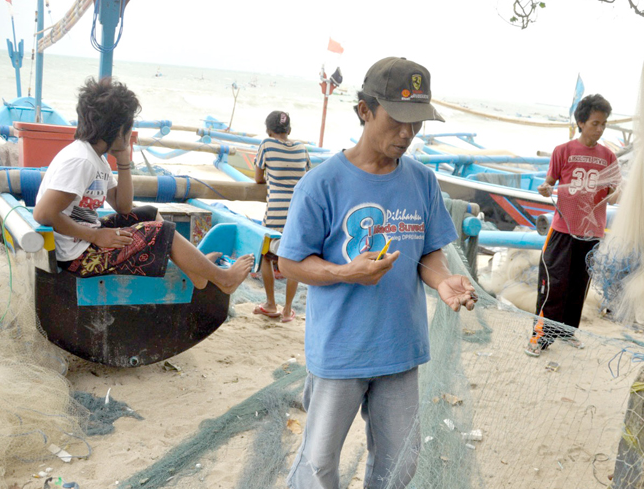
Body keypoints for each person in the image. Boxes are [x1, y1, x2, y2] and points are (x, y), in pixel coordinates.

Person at [277, 57, 478, 489]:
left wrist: (443, 280)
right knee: (318, 465)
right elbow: (289, 262)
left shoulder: (423, 181)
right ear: (365, 111)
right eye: (398, 120)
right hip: (339, 352)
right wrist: (345, 272)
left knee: (399, 465)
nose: (407, 133)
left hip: (400, 348)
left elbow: (428, 255)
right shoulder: (321, 184)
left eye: (417, 123)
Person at [33, 77, 253, 292]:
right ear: (116, 129)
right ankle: (223, 279)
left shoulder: (96, 158)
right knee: (160, 231)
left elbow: (124, 207)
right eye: (128, 128)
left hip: (84, 241)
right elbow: (44, 213)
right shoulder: (81, 161)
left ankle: (197, 271)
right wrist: (95, 236)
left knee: (147, 213)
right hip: (77, 256)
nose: (131, 135)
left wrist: (124, 161)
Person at [526, 94, 620, 357]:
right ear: (581, 122)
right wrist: (545, 189)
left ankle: (567, 332)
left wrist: (617, 194)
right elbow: (549, 183)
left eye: (603, 124)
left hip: (591, 233)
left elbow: (616, 192)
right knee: (553, 284)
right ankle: (541, 336)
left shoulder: (608, 157)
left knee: (579, 285)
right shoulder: (563, 151)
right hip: (563, 230)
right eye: (595, 123)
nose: (600, 129)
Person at [252, 110, 310, 323]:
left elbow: (258, 178)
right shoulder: (302, 148)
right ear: (289, 131)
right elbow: (307, 177)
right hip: (298, 212)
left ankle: (270, 304)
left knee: (267, 256)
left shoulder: (266, 144)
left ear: (268, 130)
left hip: (275, 211)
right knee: (293, 258)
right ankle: (287, 310)